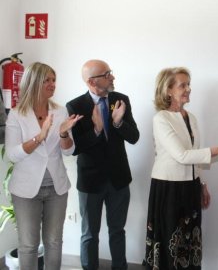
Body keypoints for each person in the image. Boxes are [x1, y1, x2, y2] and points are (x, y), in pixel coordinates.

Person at [143, 67, 218, 270]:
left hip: (191, 187)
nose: (188, 89)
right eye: (183, 85)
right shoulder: (161, 119)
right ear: (168, 90)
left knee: (190, 242)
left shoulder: (192, 118)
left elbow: (194, 154)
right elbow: (182, 156)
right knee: (169, 243)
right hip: (168, 188)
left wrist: (202, 184)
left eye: (189, 84)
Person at [5, 62, 82, 269]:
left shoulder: (60, 111)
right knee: (28, 245)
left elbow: (67, 150)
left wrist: (64, 133)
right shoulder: (16, 114)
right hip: (25, 190)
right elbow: (13, 154)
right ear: (33, 81)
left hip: (56, 188)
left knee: (54, 242)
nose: (52, 84)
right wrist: (40, 137)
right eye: (46, 80)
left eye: (53, 80)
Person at [66, 59, 139, 270]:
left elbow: (134, 137)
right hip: (90, 182)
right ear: (91, 81)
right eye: (107, 74)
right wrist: (97, 129)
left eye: (111, 72)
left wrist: (118, 122)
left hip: (119, 179)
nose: (112, 77)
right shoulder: (75, 106)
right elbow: (76, 148)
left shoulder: (121, 100)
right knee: (89, 234)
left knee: (117, 231)